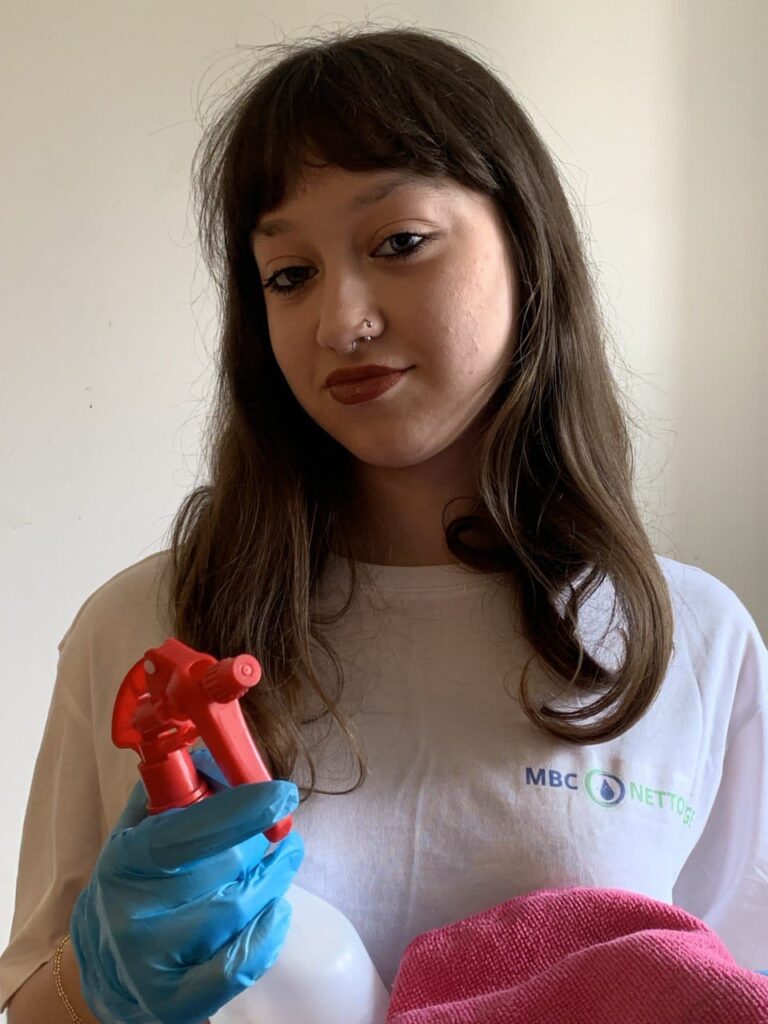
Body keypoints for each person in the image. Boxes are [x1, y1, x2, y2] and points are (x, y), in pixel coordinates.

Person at [1, 23, 767, 1024]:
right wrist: (100, 980)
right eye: (289, 275)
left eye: (399, 243)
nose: (340, 322)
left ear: (527, 248)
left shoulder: (695, 640)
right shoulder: (149, 627)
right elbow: (30, 1000)